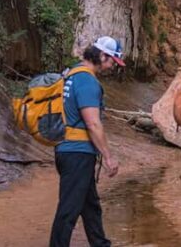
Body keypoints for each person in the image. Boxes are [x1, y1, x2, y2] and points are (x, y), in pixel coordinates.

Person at [50, 36, 125, 247]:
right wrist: (109, 157)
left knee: (90, 206)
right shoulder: (87, 81)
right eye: (112, 61)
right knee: (68, 210)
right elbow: (93, 124)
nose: (112, 67)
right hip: (77, 153)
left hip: (68, 150)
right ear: (102, 55)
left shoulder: (71, 74)